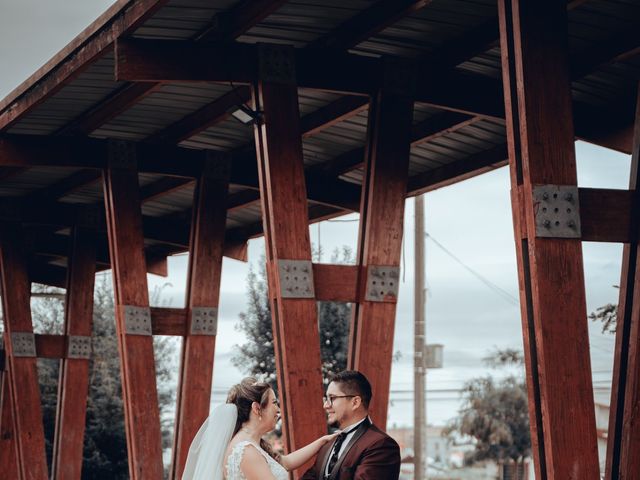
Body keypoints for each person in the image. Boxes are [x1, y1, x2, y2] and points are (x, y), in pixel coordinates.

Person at [182, 377, 339, 480]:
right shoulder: (246, 451)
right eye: (274, 403)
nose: (278, 410)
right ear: (257, 408)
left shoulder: (250, 445)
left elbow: (285, 462)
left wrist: (322, 441)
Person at [301, 370, 401, 480]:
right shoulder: (328, 444)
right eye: (326, 398)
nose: (325, 405)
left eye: (332, 398)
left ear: (355, 402)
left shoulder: (381, 445)